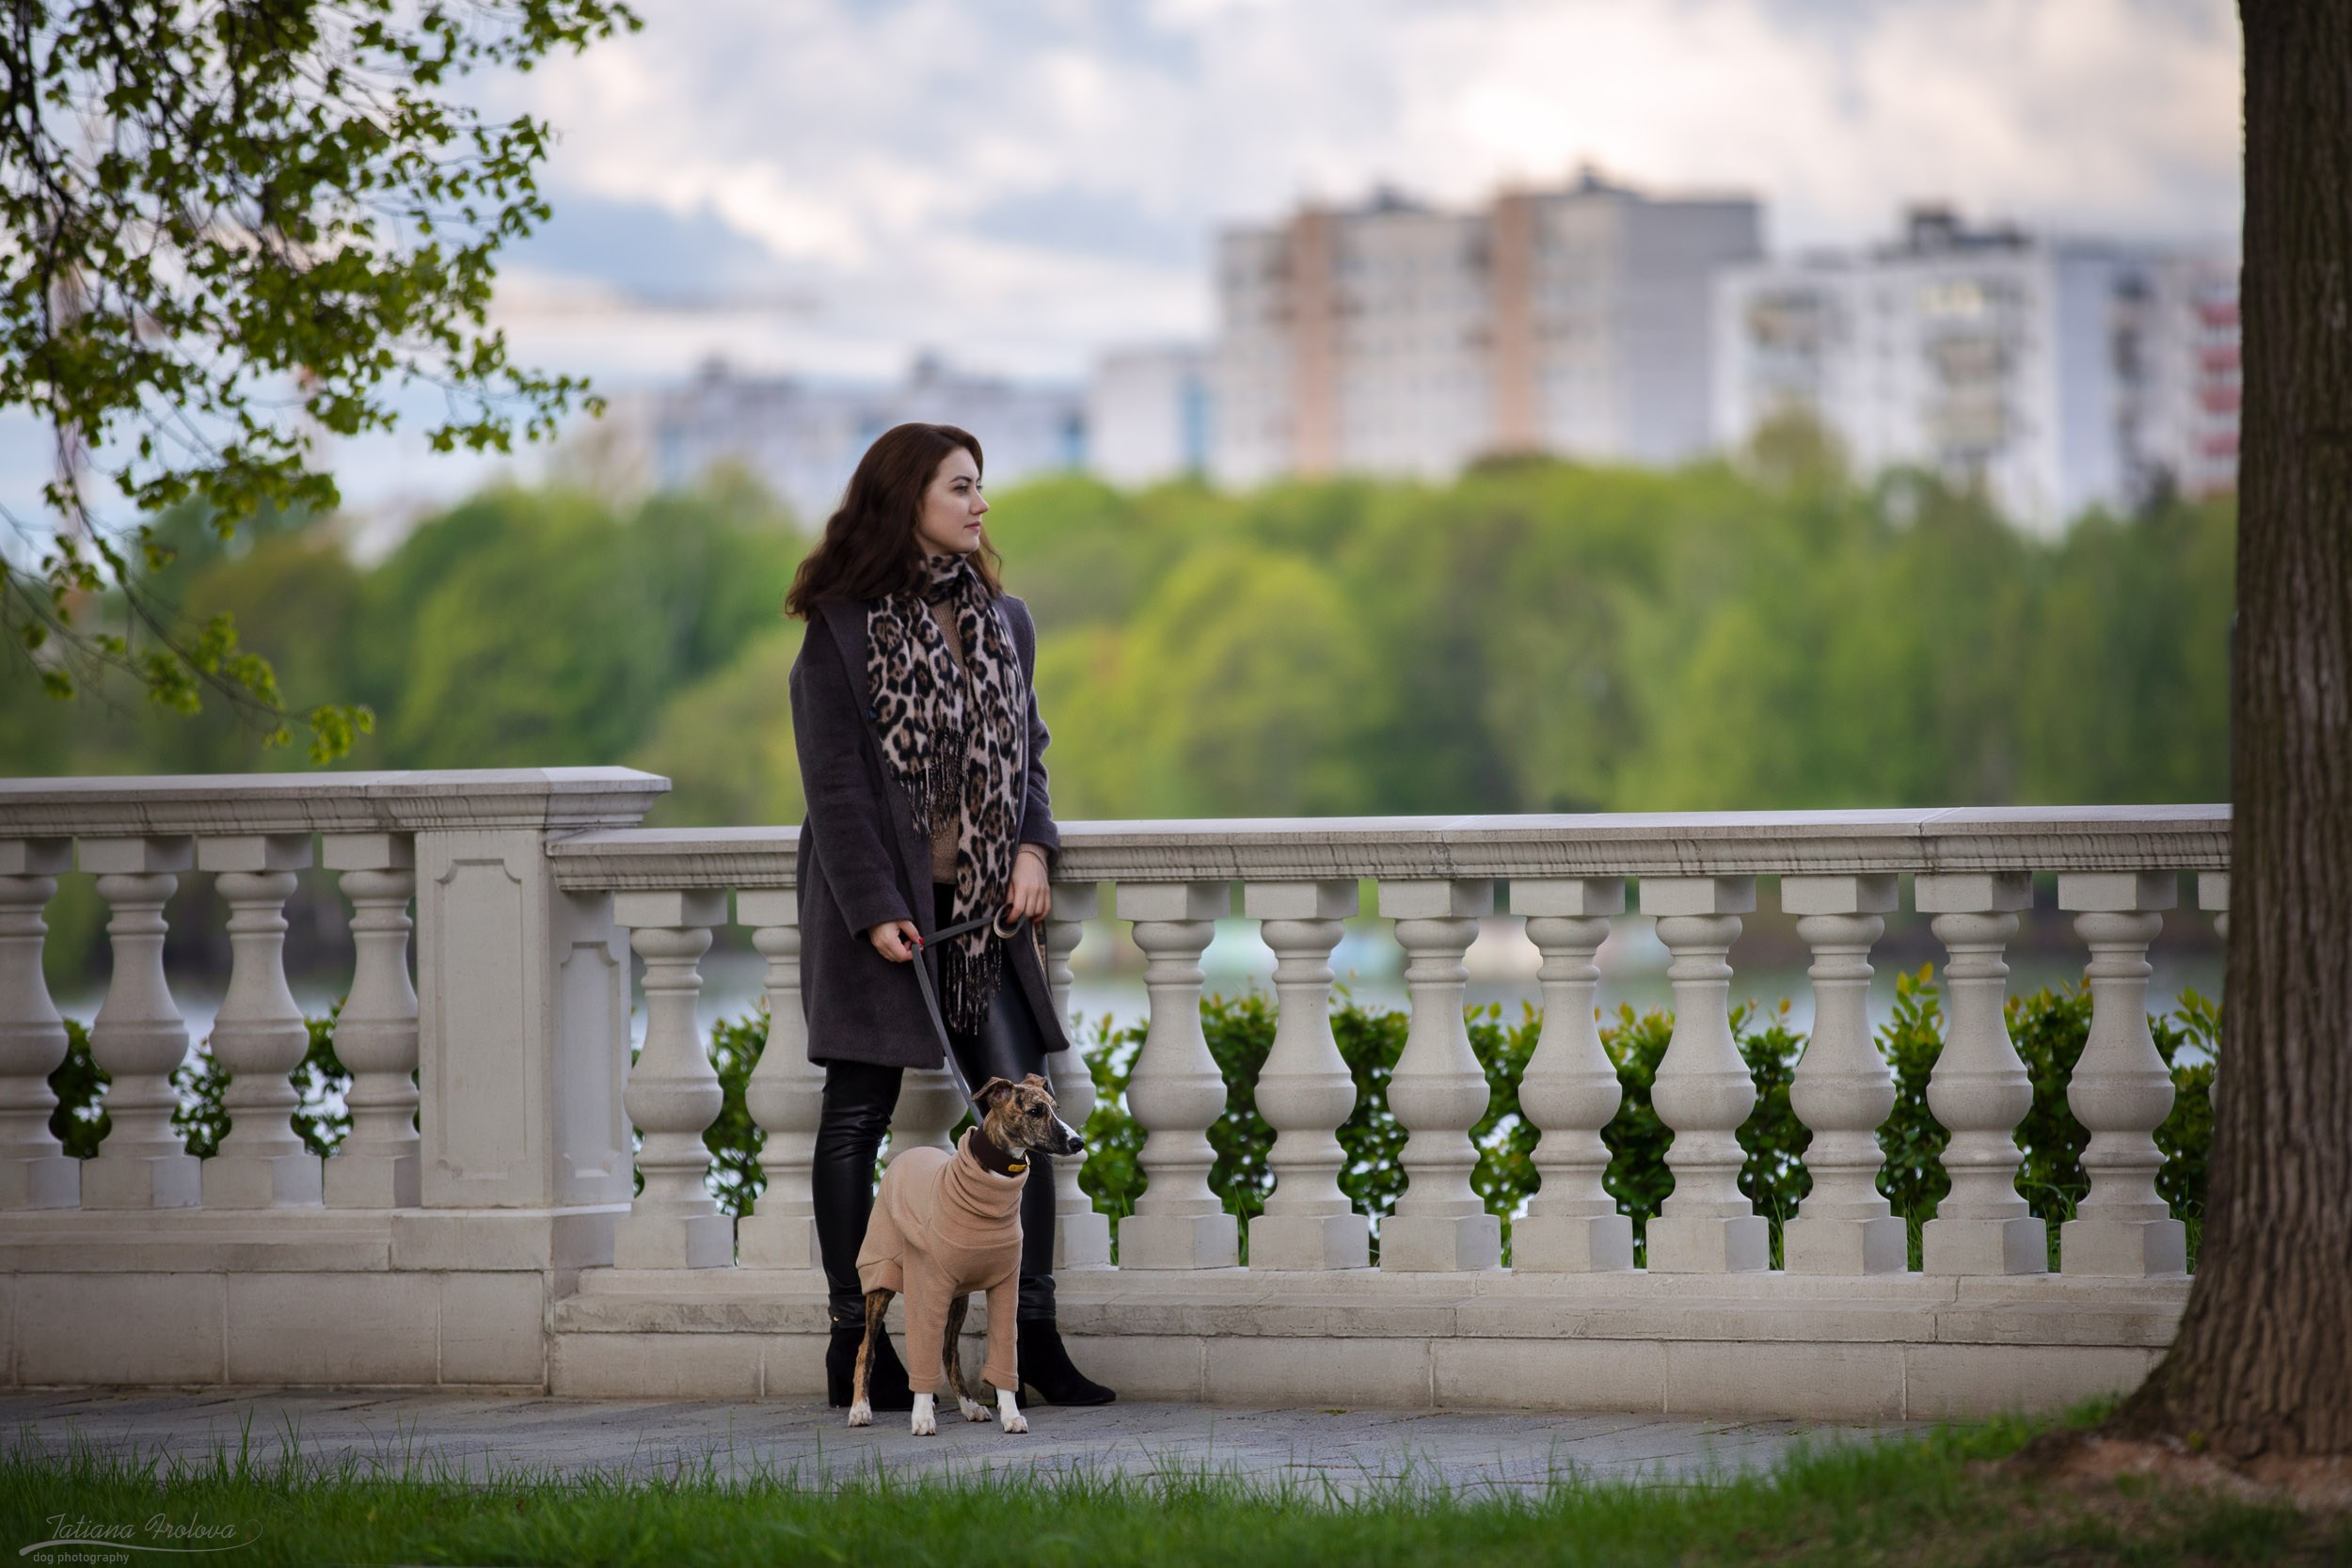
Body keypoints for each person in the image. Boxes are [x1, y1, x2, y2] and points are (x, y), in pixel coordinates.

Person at [784, 421, 1115, 1412]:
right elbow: (833, 783)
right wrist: (876, 908)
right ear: (906, 499)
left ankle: (1036, 1341)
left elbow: (1030, 758)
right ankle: (861, 1341)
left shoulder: (1003, 618)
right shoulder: (840, 627)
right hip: (877, 910)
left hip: (981, 916)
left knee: (1029, 1108)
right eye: (961, 486)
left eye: (982, 486)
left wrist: (1029, 846)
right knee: (853, 1116)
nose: (979, 503)